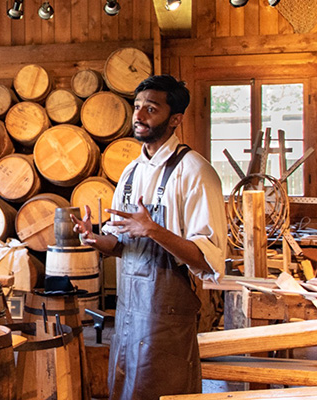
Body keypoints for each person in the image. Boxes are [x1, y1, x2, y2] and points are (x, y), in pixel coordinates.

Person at [70, 75, 228, 400]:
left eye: (151, 109)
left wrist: (153, 229)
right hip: (127, 315)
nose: (139, 116)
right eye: (137, 106)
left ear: (175, 119)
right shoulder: (130, 173)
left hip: (167, 320)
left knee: (164, 392)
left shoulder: (196, 173)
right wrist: (94, 239)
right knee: (125, 391)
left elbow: (208, 260)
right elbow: (121, 244)